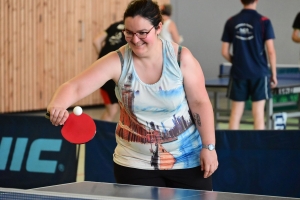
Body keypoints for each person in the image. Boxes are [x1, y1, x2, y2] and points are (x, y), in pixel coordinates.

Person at [47, 0, 218, 190]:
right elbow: (75, 87)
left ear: (158, 27)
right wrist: (57, 104)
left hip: (186, 159)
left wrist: (209, 147)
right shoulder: (118, 61)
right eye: (129, 33)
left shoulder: (180, 58)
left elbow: (200, 103)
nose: (135, 40)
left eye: (143, 33)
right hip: (134, 163)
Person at [221, 0, 277, 130]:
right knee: (258, 113)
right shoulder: (264, 21)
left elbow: (224, 51)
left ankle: (232, 147)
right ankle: (258, 147)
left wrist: (237, 62)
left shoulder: (231, 21)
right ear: (257, 0)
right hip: (259, 73)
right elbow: (271, 51)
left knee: (236, 113)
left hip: (238, 73)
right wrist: (273, 74)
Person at [93, 20, 127, 121]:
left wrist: (103, 58)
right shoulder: (134, 29)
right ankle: (101, 134)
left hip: (104, 70)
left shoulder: (114, 25)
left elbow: (96, 40)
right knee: (112, 110)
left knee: (113, 110)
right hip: (116, 74)